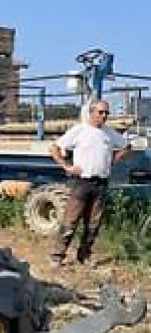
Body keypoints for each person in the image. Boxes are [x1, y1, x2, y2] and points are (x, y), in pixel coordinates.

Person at [49, 99, 130, 266]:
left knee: (94, 223)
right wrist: (67, 166)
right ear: (91, 112)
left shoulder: (109, 133)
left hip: (101, 183)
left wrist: (114, 159)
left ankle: (84, 255)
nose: (104, 116)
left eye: (106, 113)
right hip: (82, 183)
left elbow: (127, 146)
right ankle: (57, 255)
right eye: (100, 112)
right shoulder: (80, 130)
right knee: (70, 221)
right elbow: (54, 148)